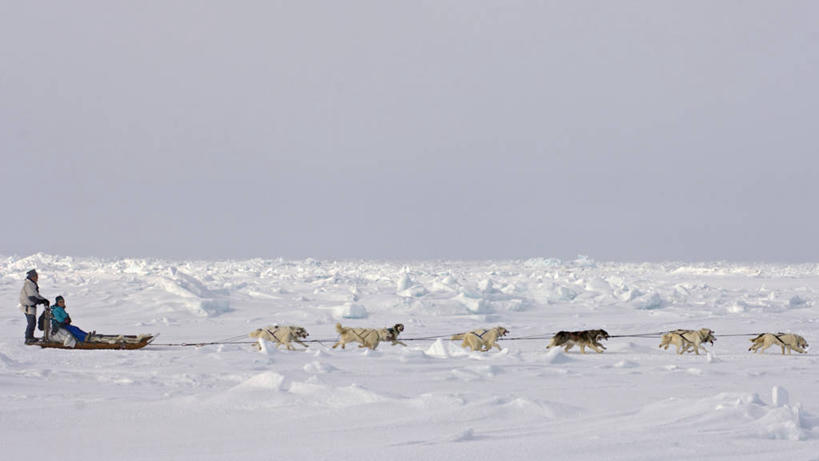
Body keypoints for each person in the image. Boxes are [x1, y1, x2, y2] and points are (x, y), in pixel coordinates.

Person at [19, 269, 49, 344]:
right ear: (32, 277)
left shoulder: (32, 284)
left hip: (30, 307)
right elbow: (32, 297)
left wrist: (43, 299)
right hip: (28, 307)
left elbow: (36, 295)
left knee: (32, 322)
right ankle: (28, 338)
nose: (37, 278)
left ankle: (30, 337)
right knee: (31, 323)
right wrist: (41, 301)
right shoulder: (28, 284)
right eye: (36, 276)